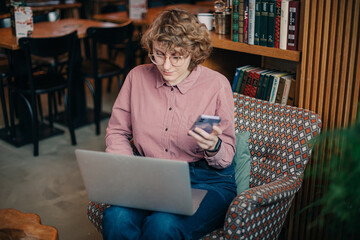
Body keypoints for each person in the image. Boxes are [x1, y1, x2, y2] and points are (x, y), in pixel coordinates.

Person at [102, 8, 237, 240]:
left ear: (193, 54)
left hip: (205, 179)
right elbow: (117, 131)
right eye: (158, 54)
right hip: (151, 174)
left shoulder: (216, 85)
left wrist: (213, 145)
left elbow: (225, 157)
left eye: (176, 56)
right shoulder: (137, 77)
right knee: (116, 219)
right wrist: (126, 166)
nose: (165, 66)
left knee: (163, 225)